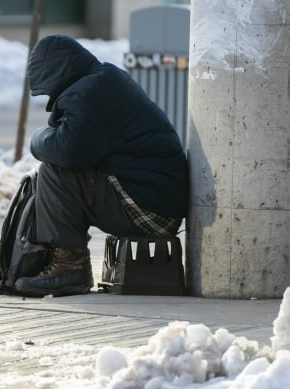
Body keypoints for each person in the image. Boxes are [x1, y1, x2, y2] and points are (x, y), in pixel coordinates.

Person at [14, 35, 189, 297]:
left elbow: (68, 151)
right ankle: (65, 261)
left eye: (48, 89)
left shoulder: (87, 93)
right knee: (62, 163)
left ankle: (69, 268)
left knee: (56, 170)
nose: (49, 95)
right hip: (158, 203)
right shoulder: (103, 80)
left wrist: (36, 139)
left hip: (149, 210)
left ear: (58, 73)